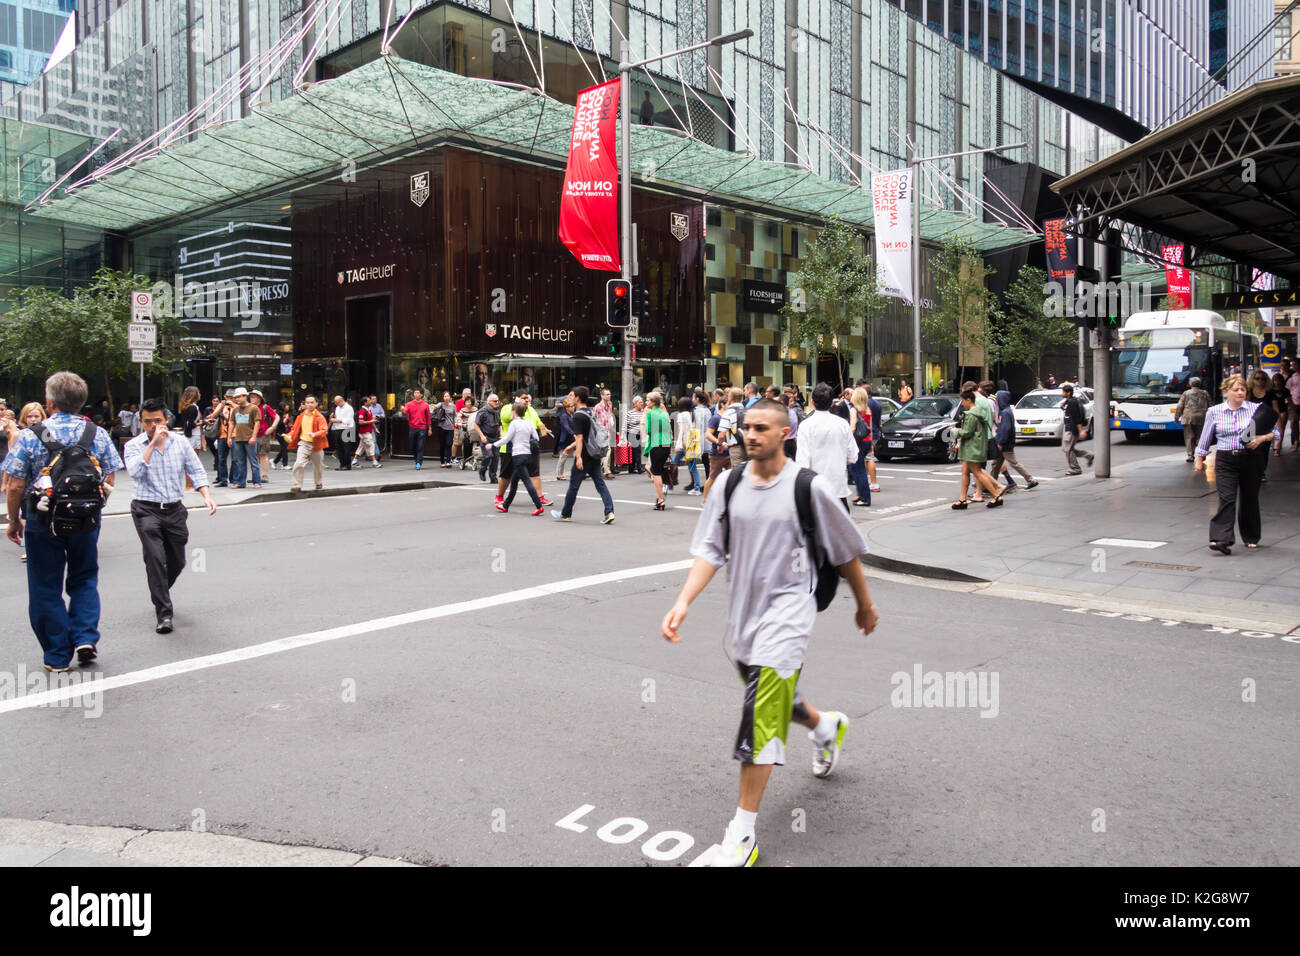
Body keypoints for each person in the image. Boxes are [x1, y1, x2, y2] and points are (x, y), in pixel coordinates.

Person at [661, 398, 879, 867]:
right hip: (744, 618)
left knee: (761, 714)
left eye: (761, 427)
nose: (750, 434)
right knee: (775, 698)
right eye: (746, 427)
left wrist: (864, 604)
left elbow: (845, 553)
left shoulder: (809, 487)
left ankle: (741, 838)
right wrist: (683, 601)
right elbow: (710, 549)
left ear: (785, 433)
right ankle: (825, 726)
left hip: (789, 614)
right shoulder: (729, 483)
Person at [3, 371, 123, 671]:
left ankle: (57, 655)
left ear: (49, 401)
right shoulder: (96, 433)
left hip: (42, 519)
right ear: (82, 402)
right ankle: (84, 636)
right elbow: (109, 475)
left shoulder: (32, 434)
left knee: (45, 585)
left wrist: (14, 519)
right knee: (84, 577)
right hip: (85, 517)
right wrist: (93, 504)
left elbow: (16, 484)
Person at [125, 398, 217, 634]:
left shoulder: (180, 443)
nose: (154, 426)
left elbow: (195, 469)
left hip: (175, 509)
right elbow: (134, 472)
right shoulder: (134, 445)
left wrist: (205, 495)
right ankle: (164, 614)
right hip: (146, 509)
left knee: (178, 561)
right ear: (141, 422)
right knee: (155, 559)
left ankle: (159, 590)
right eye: (148, 422)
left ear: (166, 420)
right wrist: (152, 445)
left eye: (158, 421)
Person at [1194, 374, 1280, 554]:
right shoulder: (1214, 412)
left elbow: (1277, 433)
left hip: (1250, 458)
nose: (1240, 392)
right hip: (1225, 459)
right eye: (1236, 390)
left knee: (1249, 498)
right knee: (1227, 498)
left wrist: (1261, 438)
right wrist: (1199, 457)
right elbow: (1206, 436)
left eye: (1243, 389)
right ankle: (1221, 539)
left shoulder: (1256, 409)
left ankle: (1251, 536)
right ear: (1226, 392)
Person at [552, 386, 615, 524]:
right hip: (595, 452)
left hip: (585, 455)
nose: (570, 398)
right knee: (600, 484)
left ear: (577, 398)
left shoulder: (578, 415)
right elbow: (588, 435)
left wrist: (578, 456)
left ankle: (565, 514)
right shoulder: (591, 412)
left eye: (572, 395)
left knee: (573, 485)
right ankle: (609, 511)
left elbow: (580, 438)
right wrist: (571, 446)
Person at [795, 383, 859, 510]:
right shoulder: (842, 424)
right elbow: (853, 456)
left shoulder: (806, 425)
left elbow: (802, 463)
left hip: (814, 490)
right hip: (838, 490)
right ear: (831, 403)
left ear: (812, 402)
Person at [953, 389, 1005, 508]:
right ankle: (962, 499)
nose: (962, 404)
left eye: (962, 401)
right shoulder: (979, 411)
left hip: (972, 448)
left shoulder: (971, 414)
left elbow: (967, 432)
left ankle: (996, 496)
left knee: (977, 472)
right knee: (966, 471)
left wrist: (955, 431)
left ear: (968, 399)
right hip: (975, 446)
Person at [494, 400, 545, 515]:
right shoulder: (528, 423)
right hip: (528, 455)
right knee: (514, 481)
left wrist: (492, 445)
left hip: (518, 455)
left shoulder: (514, 424)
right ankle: (506, 505)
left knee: (527, 482)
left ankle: (538, 506)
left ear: (514, 412)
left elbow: (506, 439)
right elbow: (536, 437)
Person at [990, 392, 1037, 491]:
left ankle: (1030, 480)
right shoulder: (1006, 411)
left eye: (997, 399)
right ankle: (991, 484)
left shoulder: (1005, 413)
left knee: (1013, 463)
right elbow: (1004, 427)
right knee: (996, 464)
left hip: (1005, 444)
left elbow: (1006, 429)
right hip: (1004, 442)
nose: (996, 402)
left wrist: (1000, 442)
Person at [288, 396, 329, 493]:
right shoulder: (301, 416)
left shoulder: (320, 417)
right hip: (304, 443)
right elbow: (294, 429)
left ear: (316, 404)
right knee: (298, 464)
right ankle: (297, 485)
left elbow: (324, 430)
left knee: (318, 466)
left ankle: (318, 483)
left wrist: (314, 434)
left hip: (317, 444)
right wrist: (289, 435)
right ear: (304, 404)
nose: (309, 404)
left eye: (311, 402)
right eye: (307, 402)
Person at [644, 393, 674, 510]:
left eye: (647, 400)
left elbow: (648, 430)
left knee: (656, 473)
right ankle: (660, 497)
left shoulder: (650, 413)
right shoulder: (665, 413)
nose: (646, 402)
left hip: (656, 444)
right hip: (666, 445)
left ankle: (660, 499)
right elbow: (668, 430)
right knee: (659, 471)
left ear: (652, 402)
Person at [227, 388, 261, 488]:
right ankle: (240, 482)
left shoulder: (253, 408)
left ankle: (257, 482)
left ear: (244, 396)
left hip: (249, 438)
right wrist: (229, 438)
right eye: (235, 397)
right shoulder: (236, 409)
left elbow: (257, 422)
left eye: (238, 397)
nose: (236, 399)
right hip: (238, 438)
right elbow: (232, 423)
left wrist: (254, 437)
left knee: (253, 461)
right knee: (239, 462)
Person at [670, 395, 703, 496]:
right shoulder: (692, 414)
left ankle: (669, 486)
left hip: (683, 444)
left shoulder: (682, 415)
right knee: (692, 467)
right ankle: (697, 488)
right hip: (691, 444)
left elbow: (682, 431)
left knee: (673, 464)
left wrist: (678, 444)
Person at [1175, 376, 1212, 463]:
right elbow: (1210, 405)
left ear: (1190, 384)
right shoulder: (1205, 393)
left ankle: (1190, 456)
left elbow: (1180, 406)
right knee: (1201, 436)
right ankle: (1201, 455)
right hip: (1202, 417)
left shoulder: (1186, 393)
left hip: (1188, 417)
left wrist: (1177, 417)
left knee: (1189, 437)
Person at [1059, 383, 1094, 475]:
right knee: (1067, 449)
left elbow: (1076, 417)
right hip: (1069, 428)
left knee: (1068, 449)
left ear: (1068, 393)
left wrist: (1081, 430)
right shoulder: (1071, 400)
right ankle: (1088, 455)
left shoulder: (1072, 402)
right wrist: (1064, 403)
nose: (1062, 393)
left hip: (1071, 429)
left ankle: (1076, 469)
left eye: (1063, 392)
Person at [847, 387, 872, 507]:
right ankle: (860, 494)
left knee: (858, 469)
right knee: (855, 467)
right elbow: (870, 427)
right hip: (866, 441)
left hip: (858, 441)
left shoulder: (854, 410)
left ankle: (865, 497)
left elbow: (852, 427)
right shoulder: (868, 409)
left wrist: (847, 441)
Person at [251, 390, 279, 481]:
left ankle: (264, 475)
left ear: (259, 398)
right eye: (251, 397)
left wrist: (272, 427)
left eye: (253, 397)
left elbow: (276, 417)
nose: (251, 398)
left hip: (263, 434)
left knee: (263, 454)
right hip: (252, 434)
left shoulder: (264, 407)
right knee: (254, 455)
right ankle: (256, 475)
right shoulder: (250, 407)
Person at [475, 393, 502, 483]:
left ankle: (493, 477)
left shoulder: (497, 411)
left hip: (495, 437)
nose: (497, 402)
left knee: (496, 457)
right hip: (485, 437)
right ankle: (482, 470)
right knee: (488, 456)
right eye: (495, 401)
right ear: (489, 402)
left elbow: (500, 424)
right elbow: (476, 425)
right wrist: (482, 436)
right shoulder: (483, 411)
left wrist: (501, 434)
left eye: (498, 400)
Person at [403, 389, 432, 470]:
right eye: (415, 392)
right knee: (412, 446)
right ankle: (416, 459)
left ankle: (418, 462)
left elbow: (428, 418)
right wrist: (402, 410)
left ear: (421, 395)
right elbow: (405, 412)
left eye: (417, 393)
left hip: (422, 428)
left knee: (420, 446)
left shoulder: (425, 405)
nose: (416, 394)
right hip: (412, 428)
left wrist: (430, 429)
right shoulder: (409, 404)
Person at [594, 389, 618, 479]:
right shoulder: (597, 407)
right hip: (601, 431)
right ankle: (606, 471)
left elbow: (609, 416)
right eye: (607, 394)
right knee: (606, 451)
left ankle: (603, 471)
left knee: (606, 451)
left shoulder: (609, 406)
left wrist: (611, 423)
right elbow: (594, 420)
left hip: (607, 431)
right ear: (602, 396)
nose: (609, 396)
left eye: (610, 394)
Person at [329, 395, 356, 470]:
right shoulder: (337, 408)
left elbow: (348, 420)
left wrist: (336, 420)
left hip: (348, 429)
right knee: (339, 448)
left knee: (346, 448)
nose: (336, 404)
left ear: (341, 400)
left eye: (337, 402)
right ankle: (342, 464)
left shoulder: (349, 408)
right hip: (338, 428)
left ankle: (347, 465)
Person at [354, 399, 382, 468]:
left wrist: (375, 429)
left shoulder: (369, 410)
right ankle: (374, 462)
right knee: (371, 445)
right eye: (369, 401)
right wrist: (371, 421)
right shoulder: (362, 411)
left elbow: (371, 421)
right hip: (364, 432)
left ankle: (354, 461)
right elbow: (361, 422)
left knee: (361, 447)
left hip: (367, 431)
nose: (371, 401)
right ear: (365, 403)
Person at [864, 385, 882, 492]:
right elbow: (879, 420)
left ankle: (873, 482)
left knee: (869, 458)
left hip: (868, 434)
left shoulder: (865, 404)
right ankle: (869, 481)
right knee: (868, 458)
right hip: (875, 432)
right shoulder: (877, 404)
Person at [431, 391, 456, 467]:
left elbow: (455, 416)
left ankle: (448, 461)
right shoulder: (441, 404)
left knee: (449, 444)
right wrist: (435, 407)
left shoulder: (453, 406)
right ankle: (442, 461)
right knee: (442, 445)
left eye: (447, 396)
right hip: (441, 427)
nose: (446, 398)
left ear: (450, 397)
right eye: (445, 396)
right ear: (443, 398)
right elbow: (436, 406)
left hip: (450, 428)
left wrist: (457, 422)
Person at [554, 395, 575, 481]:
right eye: (571, 406)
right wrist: (574, 434)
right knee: (563, 457)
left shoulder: (573, 415)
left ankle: (581, 472)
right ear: (567, 407)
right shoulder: (563, 416)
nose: (573, 407)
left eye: (574, 406)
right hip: (565, 439)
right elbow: (566, 427)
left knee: (578, 455)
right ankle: (559, 474)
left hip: (573, 439)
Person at [622, 395, 644, 476]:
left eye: (642, 402)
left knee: (635, 452)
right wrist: (622, 435)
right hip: (631, 433)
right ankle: (639, 468)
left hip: (640, 434)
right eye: (640, 402)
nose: (642, 403)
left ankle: (631, 468)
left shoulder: (643, 412)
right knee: (637, 451)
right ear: (635, 404)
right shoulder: (630, 413)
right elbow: (625, 424)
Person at [273, 401, 292, 469]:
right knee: (285, 448)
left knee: (284, 448)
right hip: (280, 433)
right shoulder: (279, 414)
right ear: (283, 406)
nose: (288, 406)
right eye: (286, 405)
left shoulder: (284, 413)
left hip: (284, 433)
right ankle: (284, 464)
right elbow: (280, 423)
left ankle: (275, 461)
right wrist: (286, 418)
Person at [1286, 363, 1300, 451]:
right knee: (1293, 422)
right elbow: (1287, 389)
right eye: (1294, 365)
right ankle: (1296, 441)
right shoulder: (1292, 377)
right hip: (1294, 403)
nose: (1295, 366)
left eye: (1297, 364)